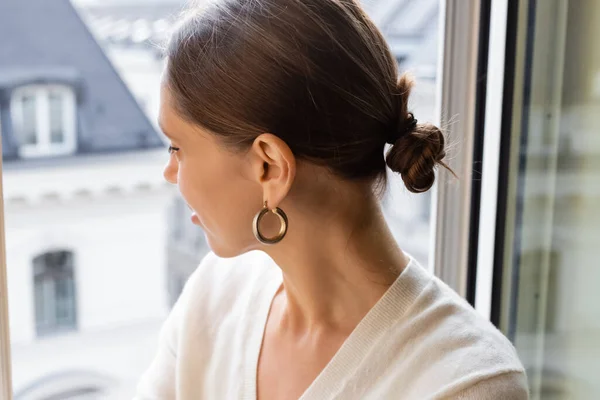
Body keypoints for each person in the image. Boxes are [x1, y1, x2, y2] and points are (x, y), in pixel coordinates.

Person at [135, 0, 528, 398]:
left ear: (269, 167)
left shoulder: (465, 382)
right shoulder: (217, 292)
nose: (170, 174)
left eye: (177, 148)